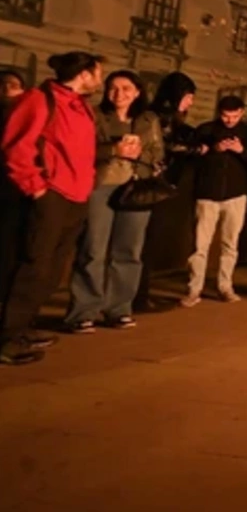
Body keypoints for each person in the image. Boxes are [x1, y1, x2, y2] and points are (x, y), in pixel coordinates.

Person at [0, 52, 103, 366]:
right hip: (52, 195)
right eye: (98, 73)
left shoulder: (80, 105)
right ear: (84, 74)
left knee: (52, 269)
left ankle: (23, 326)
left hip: (75, 196)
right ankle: (7, 337)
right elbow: (17, 146)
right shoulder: (39, 99)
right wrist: (36, 187)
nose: (100, 80)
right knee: (34, 264)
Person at [64, 70, 164, 333]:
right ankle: (83, 311)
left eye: (126, 88)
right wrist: (114, 149)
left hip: (135, 189)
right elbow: (82, 149)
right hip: (101, 186)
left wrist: (140, 154)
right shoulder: (95, 115)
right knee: (93, 249)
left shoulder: (148, 119)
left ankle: (119, 308)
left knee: (129, 251)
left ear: (138, 92)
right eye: (113, 88)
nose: (119, 94)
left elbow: (158, 153)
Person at [181, 96, 247, 306]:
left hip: (236, 194)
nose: (230, 120)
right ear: (219, 112)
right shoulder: (205, 130)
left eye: (235, 116)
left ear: (242, 113)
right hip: (207, 194)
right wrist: (215, 150)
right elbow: (193, 158)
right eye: (225, 116)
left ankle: (225, 286)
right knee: (199, 245)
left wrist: (242, 151)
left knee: (230, 244)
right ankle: (194, 288)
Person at [138, 71, 200, 313]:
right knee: (143, 243)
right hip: (153, 185)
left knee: (146, 242)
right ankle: (138, 295)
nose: (191, 103)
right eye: (189, 97)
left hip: (160, 185)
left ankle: (139, 293)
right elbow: (163, 148)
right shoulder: (160, 118)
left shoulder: (164, 117)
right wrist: (194, 149)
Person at [0, 69, 28, 304]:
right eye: (3, 84)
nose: (8, 89)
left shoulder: (27, 115)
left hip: (15, 188)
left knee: (10, 243)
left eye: (14, 84)